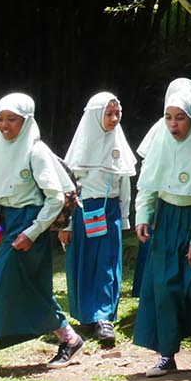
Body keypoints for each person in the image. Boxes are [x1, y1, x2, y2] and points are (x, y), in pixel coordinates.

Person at [0, 93, 84, 379]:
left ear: (26, 121)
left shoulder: (36, 151)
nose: (5, 126)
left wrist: (32, 232)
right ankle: (70, 339)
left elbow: (55, 198)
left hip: (29, 222)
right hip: (10, 221)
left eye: (12, 120)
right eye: (0, 119)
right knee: (31, 289)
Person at [132, 86, 191, 376]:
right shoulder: (160, 138)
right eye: (168, 117)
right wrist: (143, 215)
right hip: (167, 218)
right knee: (165, 287)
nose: (173, 124)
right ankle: (167, 354)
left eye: (180, 118)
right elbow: (148, 184)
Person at [60, 91, 136, 348]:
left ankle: (104, 318)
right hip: (82, 211)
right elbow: (68, 189)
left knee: (107, 263)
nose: (114, 119)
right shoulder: (79, 149)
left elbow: (124, 183)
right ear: (95, 115)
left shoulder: (119, 145)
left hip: (110, 211)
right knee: (83, 263)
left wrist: (125, 217)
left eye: (117, 114)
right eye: (109, 113)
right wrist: (66, 224)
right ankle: (86, 316)